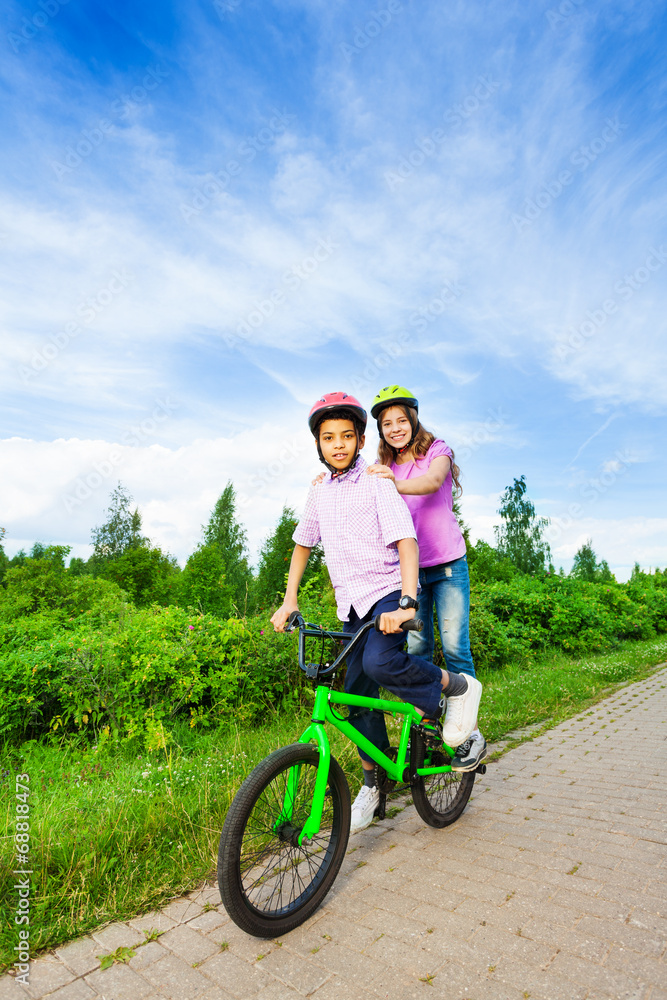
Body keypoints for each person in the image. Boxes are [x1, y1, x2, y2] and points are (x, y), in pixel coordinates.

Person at [270, 391, 482, 834]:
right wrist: (290, 600)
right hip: (352, 604)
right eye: (329, 438)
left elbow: (407, 540)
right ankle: (374, 784)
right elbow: (302, 545)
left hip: (387, 593)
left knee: (380, 661)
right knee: (356, 690)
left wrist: (407, 601)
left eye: (347, 436)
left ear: (362, 439)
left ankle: (457, 687)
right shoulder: (318, 493)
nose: (339, 444)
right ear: (318, 446)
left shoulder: (377, 482)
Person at [367, 385, 486, 772]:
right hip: (411, 574)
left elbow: (434, 482)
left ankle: (469, 735)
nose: (396, 428)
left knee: (455, 648)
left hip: (449, 565)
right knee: (416, 652)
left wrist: (390, 484)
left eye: (401, 420)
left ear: (414, 419)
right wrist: (326, 482)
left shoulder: (437, 450)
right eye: (387, 423)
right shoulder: (384, 465)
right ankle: (431, 732)